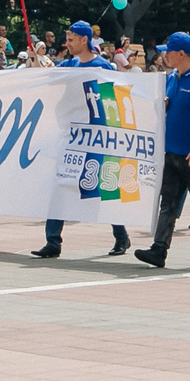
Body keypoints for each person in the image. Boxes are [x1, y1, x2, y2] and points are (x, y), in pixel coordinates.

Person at [36, 20, 131, 258]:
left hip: (97, 136)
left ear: (83, 40)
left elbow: (113, 100)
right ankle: (53, 241)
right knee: (60, 185)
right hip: (72, 136)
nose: (66, 44)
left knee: (105, 187)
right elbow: (51, 79)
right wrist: (36, 62)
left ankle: (121, 236)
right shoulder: (71, 64)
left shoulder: (102, 67)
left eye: (70, 40)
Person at [135, 31, 190, 270]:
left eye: (168, 52)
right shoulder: (172, 77)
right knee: (168, 204)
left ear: (181, 53)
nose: (165, 56)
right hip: (171, 154)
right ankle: (159, 249)